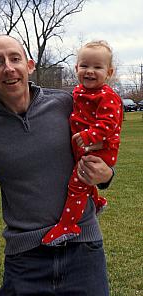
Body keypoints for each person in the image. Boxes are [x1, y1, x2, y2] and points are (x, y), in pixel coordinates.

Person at [0, 35, 114, 296]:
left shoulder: (66, 104)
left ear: (29, 65)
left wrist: (107, 174)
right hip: (25, 259)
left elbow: (102, 149)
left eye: (15, 58)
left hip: (83, 250)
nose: (8, 67)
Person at [42, 40, 123, 246]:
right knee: (85, 178)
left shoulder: (107, 96)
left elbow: (109, 124)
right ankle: (96, 201)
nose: (90, 71)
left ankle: (68, 225)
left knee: (77, 184)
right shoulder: (78, 92)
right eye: (85, 66)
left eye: (97, 67)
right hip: (85, 147)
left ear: (109, 72)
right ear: (76, 68)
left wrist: (89, 135)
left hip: (101, 149)